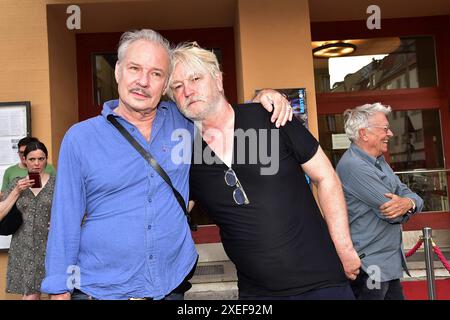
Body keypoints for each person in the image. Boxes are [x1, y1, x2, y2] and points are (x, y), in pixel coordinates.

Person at [41, 29, 291, 300]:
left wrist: (263, 99)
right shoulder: (80, 138)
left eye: (156, 74)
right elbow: (65, 218)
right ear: (118, 72)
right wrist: (58, 290)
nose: (143, 82)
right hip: (100, 291)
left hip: (170, 288)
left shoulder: (184, 122)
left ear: (165, 85)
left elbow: (223, 114)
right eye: (135, 68)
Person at [167, 42, 361, 300]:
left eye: (195, 78)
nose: (188, 91)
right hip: (256, 294)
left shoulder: (270, 117)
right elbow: (170, 213)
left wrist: (344, 247)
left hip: (322, 283)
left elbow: (325, 177)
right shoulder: (185, 155)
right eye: (177, 87)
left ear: (218, 80)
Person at [336, 103, 423, 300]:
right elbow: (392, 214)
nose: (390, 133)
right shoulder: (354, 166)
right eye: (384, 128)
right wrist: (408, 204)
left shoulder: (378, 161)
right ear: (364, 133)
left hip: (386, 262)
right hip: (370, 266)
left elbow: (407, 194)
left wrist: (409, 203)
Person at [0, 141, 55, 300]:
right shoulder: (16, 183)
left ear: (46, 159)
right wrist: (16, 191)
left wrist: (59, 223)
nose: (37, 163)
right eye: (32, 159)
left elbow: (72, 209)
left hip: (50, 244)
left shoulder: (57, 183)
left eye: (41, 158)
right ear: (24, 160)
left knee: (57, 292)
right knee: (31, 295)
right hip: (24, 245)